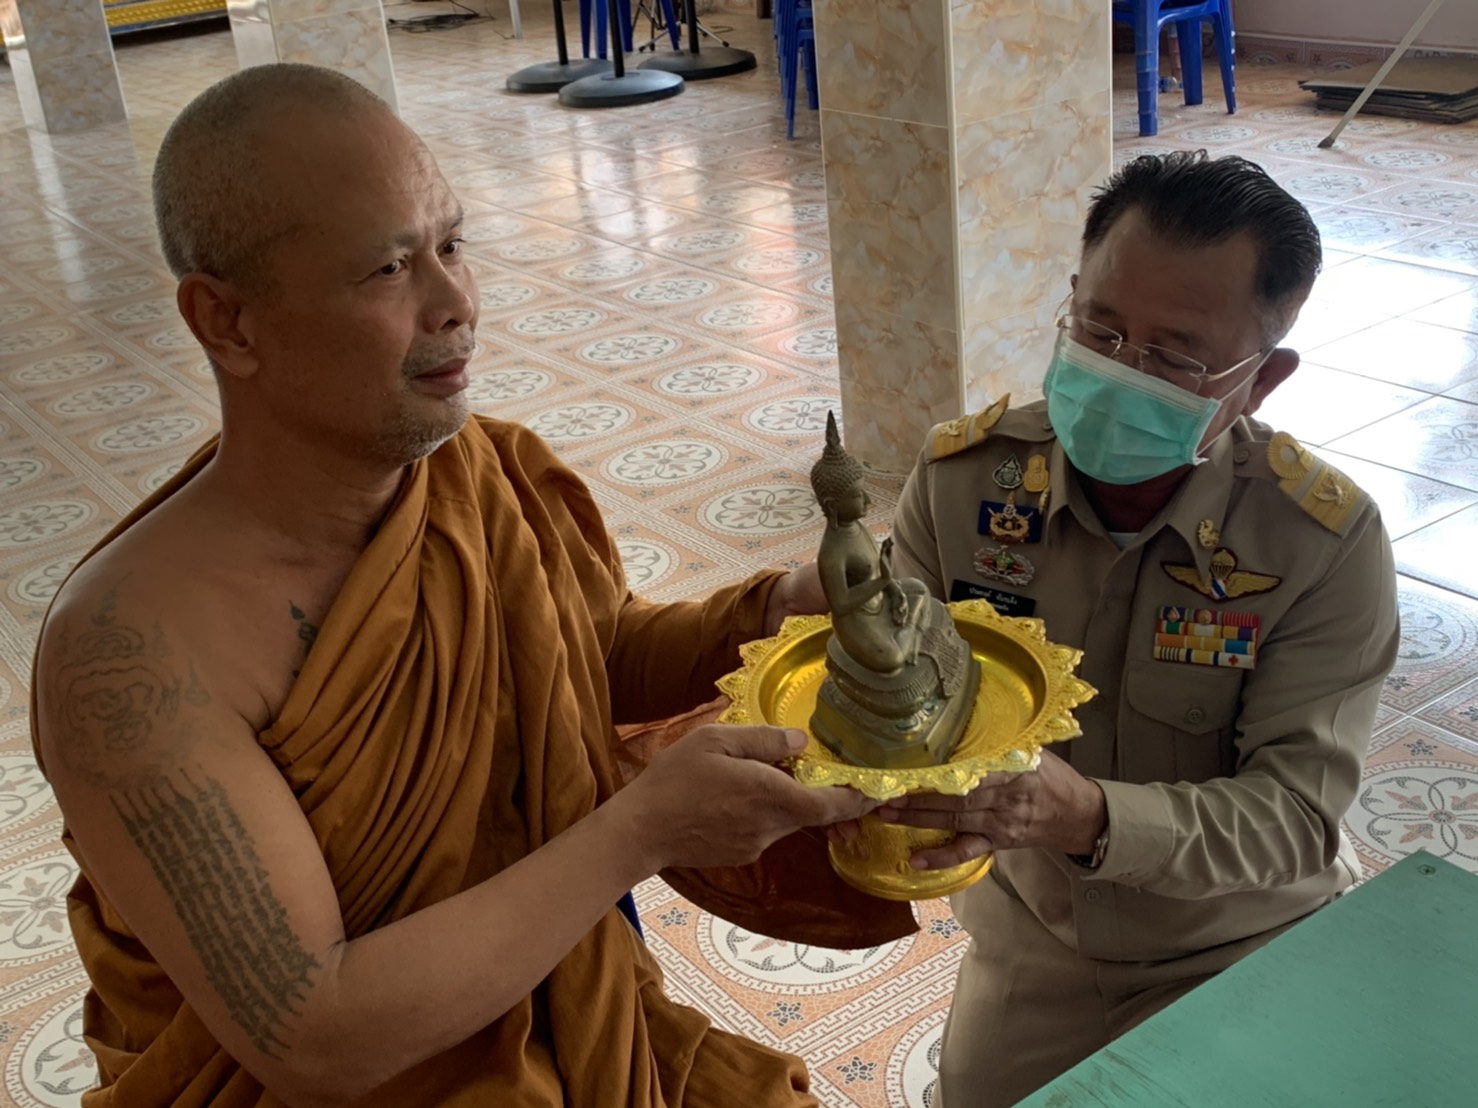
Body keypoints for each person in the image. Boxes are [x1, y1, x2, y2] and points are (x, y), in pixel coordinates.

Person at [29, 64, 892, 1108]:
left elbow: (586, 655)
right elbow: (314, 1037)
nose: (457, 303)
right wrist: (638, 831)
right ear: (228, 322)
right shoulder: (129, 655)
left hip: (568, 1026)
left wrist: (770, 610)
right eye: (390, 268)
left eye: (452, 245)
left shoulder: (480, 473)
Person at [883, 151, 1400, 1106]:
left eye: (1174, 357)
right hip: (1036, 938)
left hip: (1238, 944)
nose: (1121, 373)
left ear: (1261, 380)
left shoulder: (1320, 543)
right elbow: (896, 696)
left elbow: (1295, 820)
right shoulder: (963, 484)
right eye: (1100, 329)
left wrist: (1087, 816)